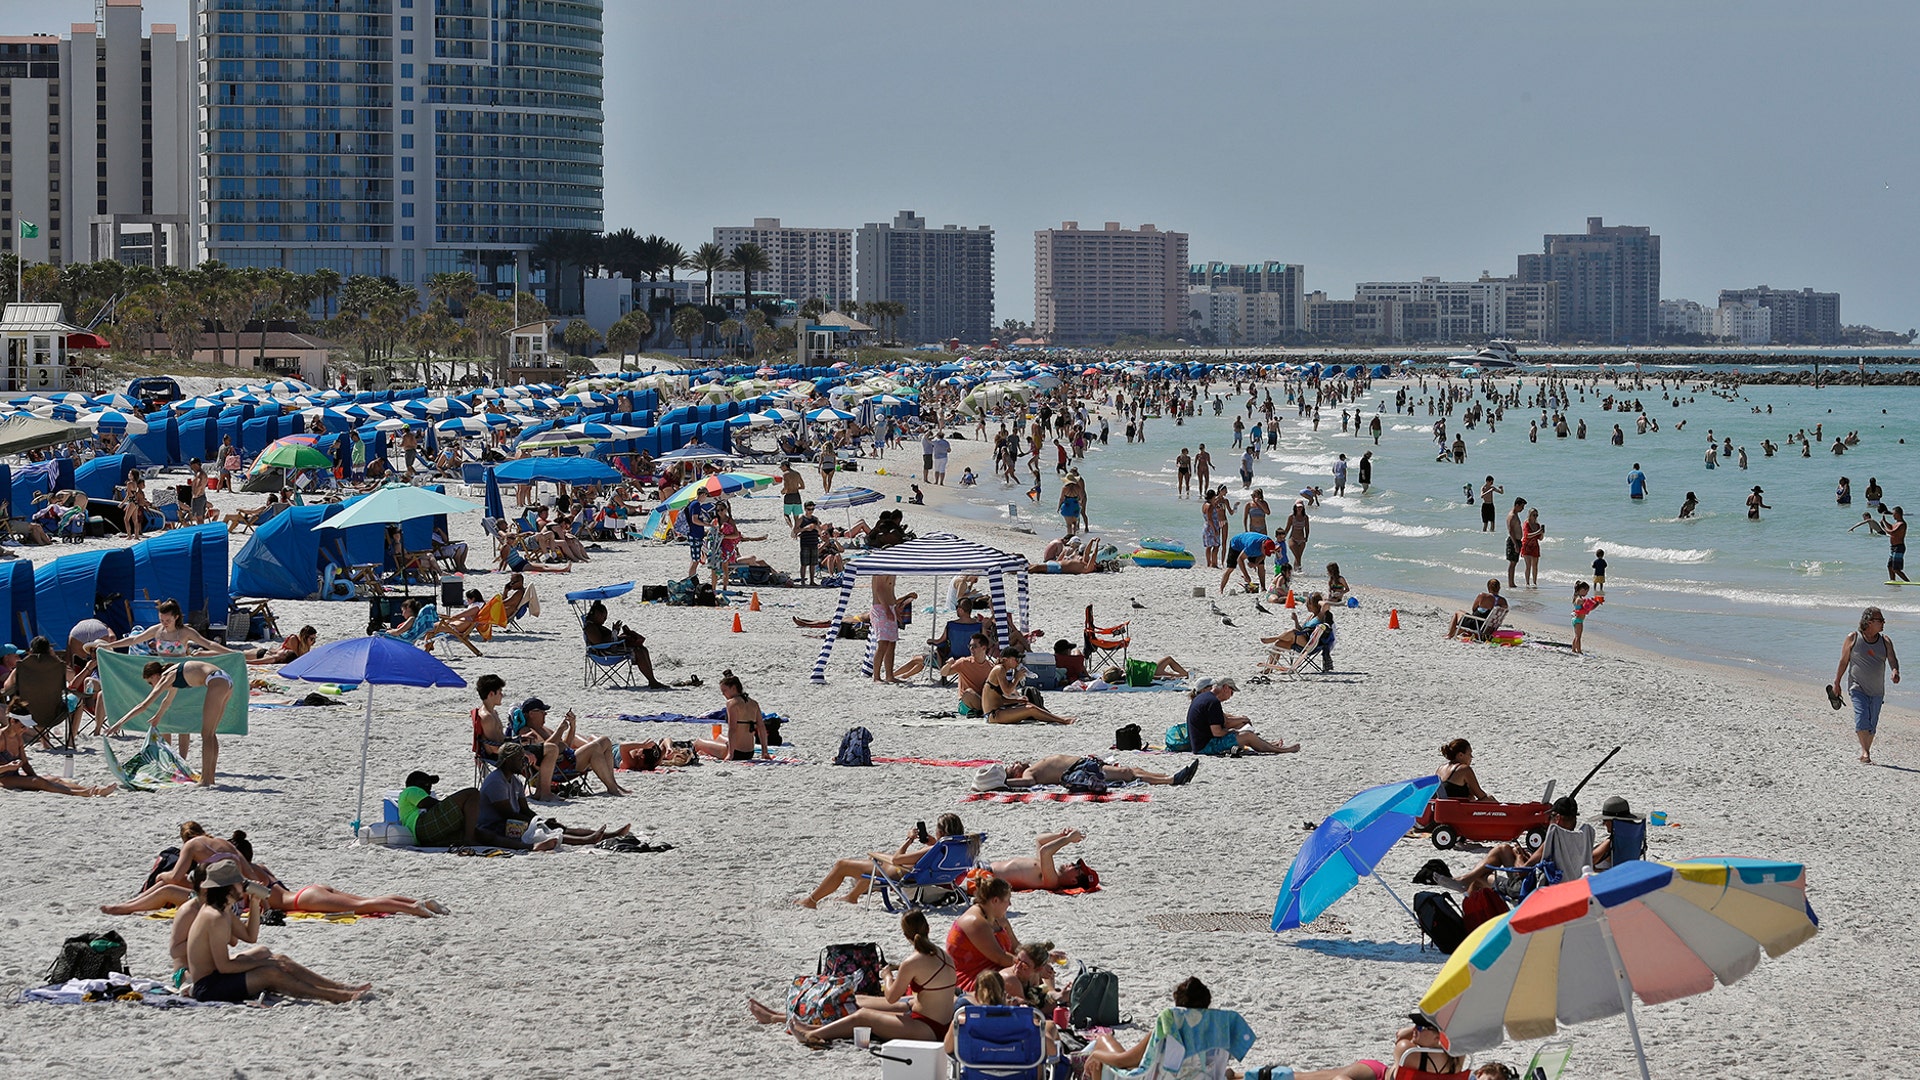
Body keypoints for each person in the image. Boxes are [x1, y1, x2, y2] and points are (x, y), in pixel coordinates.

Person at [184, 859, 371, 1004]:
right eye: (239, 883)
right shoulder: (214, 917)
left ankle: (340, 987)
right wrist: (265, 964)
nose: (243, 885)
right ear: (228, 887)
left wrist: (255, 904)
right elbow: (224, 967)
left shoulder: (222, 909)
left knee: (279, 959)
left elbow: (250, 937)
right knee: (271, 972)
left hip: (218, 976)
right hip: (208, 987)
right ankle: (333, 995)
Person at [763, 911, 959, 1045]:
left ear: (906, 935)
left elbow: (891, 996)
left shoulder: (913, 961)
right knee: (855, 1001)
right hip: (938, 1022)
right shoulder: (944, 956)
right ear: (928, 928)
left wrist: (887, 975)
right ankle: (792, 1020)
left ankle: (811, 1034)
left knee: (862, 1016)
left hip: (927, 1028)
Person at [1078, 977, 1254, 1080]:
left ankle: (1086, 1056)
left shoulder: (1171, 1026)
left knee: (1103, 1041)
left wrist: (1096, 1055)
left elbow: (1125, 1061)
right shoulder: (1217, 1029)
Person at [109, 660, 236, 788]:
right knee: (210, 733)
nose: (152, 686)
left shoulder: (167, 676)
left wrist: (120, 722)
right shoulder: (174, 675)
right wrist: (157, 717)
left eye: (150, 682)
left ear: (154, 676)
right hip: (225, 679)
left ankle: (206, 780)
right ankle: (210, 778)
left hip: (217, 680)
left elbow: (144, 705)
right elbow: (167, 701)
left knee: (207, 734)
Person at [800, 813, 967, 907]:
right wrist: (932, 843)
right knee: (876, 858)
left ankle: (811, 900)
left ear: (941, 832)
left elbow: (897, 859)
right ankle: (852, 896)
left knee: (843, 864)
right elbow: (937, 856)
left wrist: (908, 840)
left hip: (899, 873)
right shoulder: (957, 848)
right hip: (924, 877)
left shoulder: (933, 849)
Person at [479, 741, 623, 849]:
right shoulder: (496, 782)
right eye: (520, 760)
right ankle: (586, 840)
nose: (524, 764)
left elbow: (524, 809)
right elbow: (507, 814)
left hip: (511, 821)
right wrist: (538, 822)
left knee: (553, 825)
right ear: (508, 761)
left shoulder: (515, 781)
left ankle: (605, 835)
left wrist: (540, 819)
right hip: (494, 826)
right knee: (543, 830)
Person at [514, 698, 626, 795]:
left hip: (566, 760)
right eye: (542, 711)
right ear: (531, 713)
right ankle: (612, 788)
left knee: (605, 741)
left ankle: (613, 784)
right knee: (595, 747)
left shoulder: (544, 729)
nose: (545, 714)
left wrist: (572, 726)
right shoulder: (526, 731)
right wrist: (560, 730)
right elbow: (543, 750)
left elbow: (565, 745)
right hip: (556, 768)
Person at [1830, 606, 1899, 764]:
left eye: (1883, 620)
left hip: (1877, 690)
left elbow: (1892, 659)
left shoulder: (1885, 641)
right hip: (1857, 687)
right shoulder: (1853, 637)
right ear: (1868, 622)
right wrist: (1837, 683)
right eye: (1880, 620)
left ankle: (1865, 751)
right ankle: (1866, 752)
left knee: (1872, 724)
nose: (1883, 622)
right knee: (1862, 718)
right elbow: (1843, 661)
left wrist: (1895, 670)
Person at [0, 713, 115, 796]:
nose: (25, 730)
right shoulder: (1, 738)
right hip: (3, 778)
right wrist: (8, 767)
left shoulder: (17, 737)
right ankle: (81, 793)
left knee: (54, 779)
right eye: (22, 726)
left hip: (14, 775)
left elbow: (25, 763)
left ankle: (96, 790)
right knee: (38, 782)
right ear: (12, 721)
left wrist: (33, 776)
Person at [1185, 677, 1297, 754]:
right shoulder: (1213, 702)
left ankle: (1269, 745)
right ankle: (1281, 750)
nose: (1231, 696)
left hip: (1199, 744)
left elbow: (1221, 722)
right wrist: (1234, 732)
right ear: (1225, 688)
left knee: (1246, 734)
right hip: (1205, 747)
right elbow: (1217, 732)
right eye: (1231, 692)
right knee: (1248, 736)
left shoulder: (1204, 698)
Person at [580, 600, 669, 688]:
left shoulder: (595, 625)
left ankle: (652, 680)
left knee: (642, 649)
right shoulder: (590, 627)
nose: (604, 620)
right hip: (603, 653)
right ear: (597, 614)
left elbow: (605, 640)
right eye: (604, 617)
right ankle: (652, 681)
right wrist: (614, 633)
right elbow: (599, 643)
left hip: (609, 648)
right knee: (638, 651)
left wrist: (616, 634)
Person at [981, 828, 1098, 891]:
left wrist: (1068, 839)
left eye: (1076, 867)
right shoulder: (1046, 870)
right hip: (984, 868)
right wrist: (1060, 836)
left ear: (1074, 881)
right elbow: (1040, 841)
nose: (1072, 863)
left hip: (984, 876)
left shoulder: (1053, 882)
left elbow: (1045, 852)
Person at [981, 647, 1075, 725]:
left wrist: (1017, 700)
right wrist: (1017, 678)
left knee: (1029, 705)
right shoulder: (999, 669)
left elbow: (996, 698)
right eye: (1016, 659)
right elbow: (1007, 692)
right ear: (1006, 660)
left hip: (994, 712)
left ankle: (1059, 719)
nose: (1018, 662)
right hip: (993, 715)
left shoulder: (1000, 669)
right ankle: (1063, 720)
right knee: (1031, 709)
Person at [397, 770, 489, 848]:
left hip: (423, 839)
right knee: (472, 793)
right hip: (421, 827)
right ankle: (469, 838)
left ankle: (501, 842)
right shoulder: (410, 790)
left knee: (481, 835)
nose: (429, 791)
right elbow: (429, 803)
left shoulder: (405, 797)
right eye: (427, 785)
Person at [990, 754, 1194, 789]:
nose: (1016, 763)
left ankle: (1167, 775)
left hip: (1083, 763)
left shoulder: (1031, 767)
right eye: (1012, 766)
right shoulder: (1028, 775)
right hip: (1078, 770)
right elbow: (1028, 784)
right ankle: (1171, 780)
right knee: (1125, 773)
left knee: (1133, 769)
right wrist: (1004, 783)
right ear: (1015, 774)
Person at [691, 672, 770, 761]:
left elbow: (733, 728)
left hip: (736, 752)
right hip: (749, 753)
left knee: (698, 742)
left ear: (733, 688)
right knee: (719, 737)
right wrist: (764, 752)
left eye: (724, 691)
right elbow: (761, 727)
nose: (723, 694)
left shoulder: (732, 703)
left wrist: (730, 754)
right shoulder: (754, 703)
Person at [942, 633, 997, 717]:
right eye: (970, 646)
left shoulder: (990, 667)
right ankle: (988, 710)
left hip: (983, 699)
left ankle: (986, 710)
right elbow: (943, 673)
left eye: (974, 646)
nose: (971, 649)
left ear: (984, 648)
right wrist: (949, 664)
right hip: (967, 704)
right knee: (969, 693)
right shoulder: (964, 663)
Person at [244, 625, 318, 666]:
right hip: (264, 654)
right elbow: (297, 658)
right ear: (304, 637)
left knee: (237, 654)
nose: (313, 642)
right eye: (312, 639)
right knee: (238, 654)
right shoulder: (294, 639)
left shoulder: (305, 646)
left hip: (269, 655)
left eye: (314, 639)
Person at [1570, 581, 1603, 655]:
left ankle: (1573, 649)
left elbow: (1588, 608)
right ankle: (1579, 651)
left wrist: (1596, 603)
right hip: (1578, 620)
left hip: (1577, 619)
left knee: (1576, 636)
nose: (1586, 594)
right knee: (1578, 637)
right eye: (1586, 591)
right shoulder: (1579, 599)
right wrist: (1596, 602)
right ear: (1581, 590)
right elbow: (1588, 608)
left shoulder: (1577, 597)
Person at [1504, 497, 1526, 588]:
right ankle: (1511, 583)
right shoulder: (1512, 515)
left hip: (1517, 541)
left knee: (1514, 562)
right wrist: (1515, 544)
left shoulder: (1516, 514)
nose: (1523, 509)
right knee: (1512, 563)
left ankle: (1512, 582)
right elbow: (1510, 530)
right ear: (1517, 505)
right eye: (1522, 506)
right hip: (1513, 541)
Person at [1883, 506, 1909, 582]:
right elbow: (1891, 527)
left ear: (1898, 514)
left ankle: (1908, 582)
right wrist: (1884, 522)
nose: (1893, 515)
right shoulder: (1896, 523)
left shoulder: (1902, 524)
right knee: (1889, 566)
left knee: (1896, 569)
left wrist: (1883, 528)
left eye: (1893, 514)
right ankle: (1893, 582)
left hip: (1899, 547)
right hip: (1893, 548)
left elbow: (1892, 532)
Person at [1520, 507, 1544, 587]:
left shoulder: (1537, 525)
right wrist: (1538, 532)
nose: (1535, 516)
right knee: (1528, 565)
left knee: (1535, 566)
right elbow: (1527, 535)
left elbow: (1540, 538)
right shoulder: (1526, 523)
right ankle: (1527, 583)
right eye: (1534, 515)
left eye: (1537, 515)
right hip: (1527, 546)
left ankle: (1534, 582)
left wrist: (1542, 533)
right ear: (1530, 515)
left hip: (1535, 546)